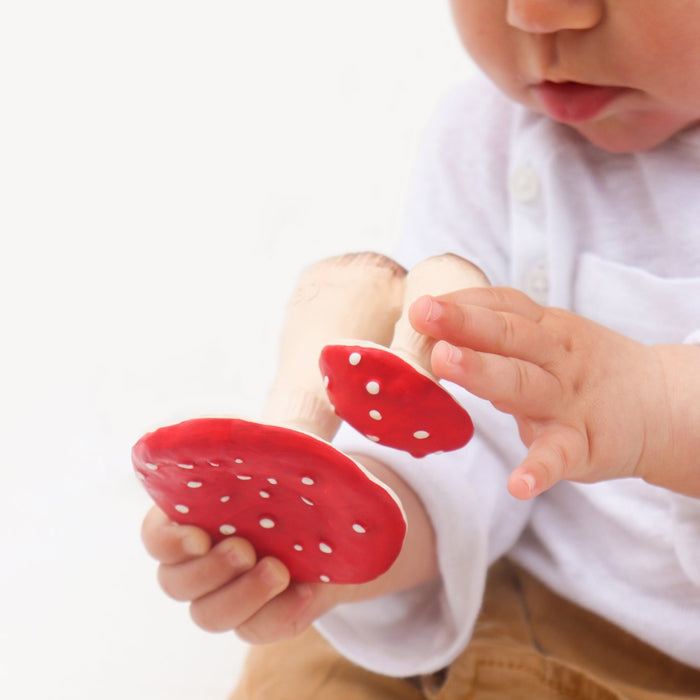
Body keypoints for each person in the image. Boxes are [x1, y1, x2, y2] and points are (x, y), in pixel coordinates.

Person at [140, 1, 700, 697]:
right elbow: (464, 435)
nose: (535, 15)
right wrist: (345, 535)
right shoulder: (492, 138)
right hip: (500, 596)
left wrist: (663, 407)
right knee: (310, 671)